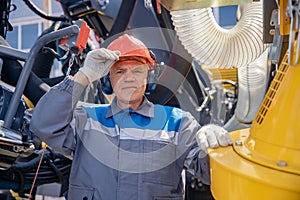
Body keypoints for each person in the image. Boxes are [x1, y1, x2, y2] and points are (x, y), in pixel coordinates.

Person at [30, 34, 232, 200]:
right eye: (119, 71)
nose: (128, 77)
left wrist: (216, 147)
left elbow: (210, 171)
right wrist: (84, 75)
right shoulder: (86, 119)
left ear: (149, 77)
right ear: (108, 81)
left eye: (137, 70)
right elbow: (43, 124)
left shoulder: (177, 123)